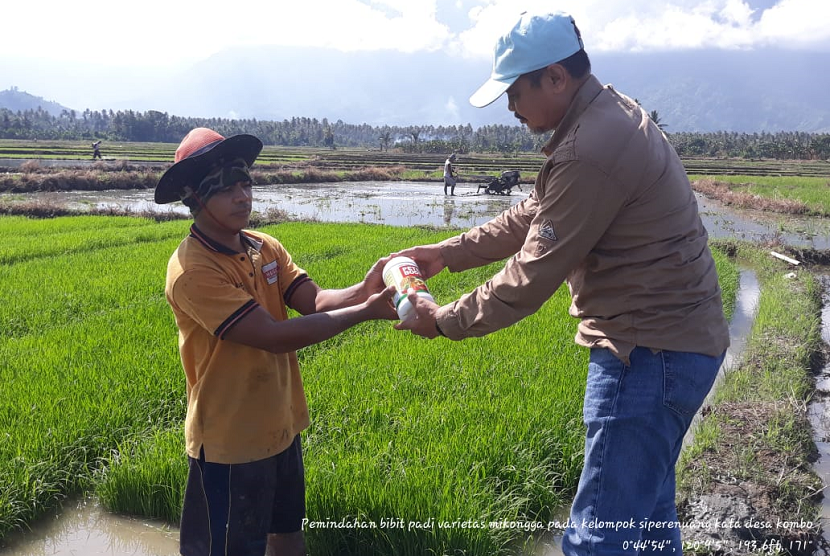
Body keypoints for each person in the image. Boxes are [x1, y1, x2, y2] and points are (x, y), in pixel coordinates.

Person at [393, 11, 729, 556]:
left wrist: (444, 321)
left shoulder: (590, 147)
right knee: (645, 523)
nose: (511, 107)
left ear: (554, 76)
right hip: (680, 346)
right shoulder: (603, 115)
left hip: (645, 354)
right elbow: (535, 211)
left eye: (515, 91)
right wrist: (445, 254)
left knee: (597, 537)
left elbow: (532, 275)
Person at [154, 127, 397, 556]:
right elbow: (271, 337)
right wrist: (366, 311)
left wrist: (365, 286)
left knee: (287, 536)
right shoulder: (193, 270)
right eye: (226, 188)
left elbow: (315, 301)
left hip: (281, 428)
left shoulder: (264, 247)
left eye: (245, 183)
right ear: (195, 198)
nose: (242, 196)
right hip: (230, 442)